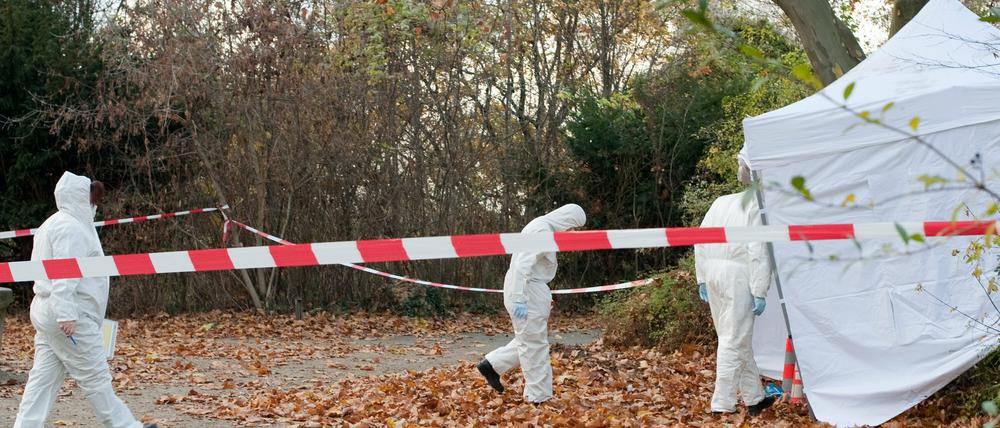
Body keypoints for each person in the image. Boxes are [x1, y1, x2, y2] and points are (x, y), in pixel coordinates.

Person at [14, 172, 155, 428]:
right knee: (95, 377)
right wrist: (66, 313)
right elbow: (65, 273)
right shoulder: (72, 228)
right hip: (69, 313)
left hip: (49, 310)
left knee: (42, 380)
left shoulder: (54, 223)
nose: (95, 204)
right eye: (93, 198)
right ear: (82, 198)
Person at [476, 204, 586, 404]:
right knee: (535, 345)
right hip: (526, 290)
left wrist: (541, 294)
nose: (574, 232)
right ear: (567, 220)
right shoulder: (542, 231)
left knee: (529, 338)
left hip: (531, 289)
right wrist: (520, 298)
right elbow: (522, 266)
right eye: (574, 227)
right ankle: (538, 397)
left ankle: (492, 365)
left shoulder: (542, 227)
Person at [694, 157, 775, 416]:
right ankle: (722, 403)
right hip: (738, 275)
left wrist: (703, 277)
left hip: (714, 272)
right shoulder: (757, 206)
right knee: (733, 338)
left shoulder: (721, 202)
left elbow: (699, 239)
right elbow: (758, 249)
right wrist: (759, 289)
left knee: (735, 337)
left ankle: (754, 398)